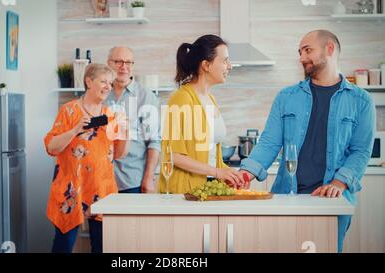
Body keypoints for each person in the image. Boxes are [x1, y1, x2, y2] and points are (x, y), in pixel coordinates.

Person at [238, 30, 376, 252]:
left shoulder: (361, 101)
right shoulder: (286, 97)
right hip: (287, 197)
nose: (302, 57)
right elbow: (269, 143)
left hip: (331, 201)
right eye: (300, 52)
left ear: (329, 49)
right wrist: (245, 173)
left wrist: (338, 184)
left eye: (307, 50)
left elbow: (360, 151)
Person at [44, 63, 129, 253]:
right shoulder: (69, 110)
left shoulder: (110, 115)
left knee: (101, 247)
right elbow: (51, 147)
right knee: (63, 246)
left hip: (102, 188)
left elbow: (120, 154)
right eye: (103, 81)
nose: (108, 86)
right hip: (71, 189)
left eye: (110, 82)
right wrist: (75, 130)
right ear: (89, 82)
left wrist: (125, 131)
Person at [158, 34, 245, 194]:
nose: (230, 66)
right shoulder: (181, 98)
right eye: (225, 60)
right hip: (184, 193)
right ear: (206, 65)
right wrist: (217, 172)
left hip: (207, 190)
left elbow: (211, 157)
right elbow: (173, 156)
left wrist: (231, 174)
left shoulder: (210, 99)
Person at [105, 46, 161, 193]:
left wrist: (148, 178)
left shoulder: (146, 96)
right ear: (108, 63)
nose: (124, 67)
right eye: (118, 62)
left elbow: (154, 141)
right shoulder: (101, 93)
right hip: (100, 179)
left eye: (129, 62)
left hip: (131, 181)